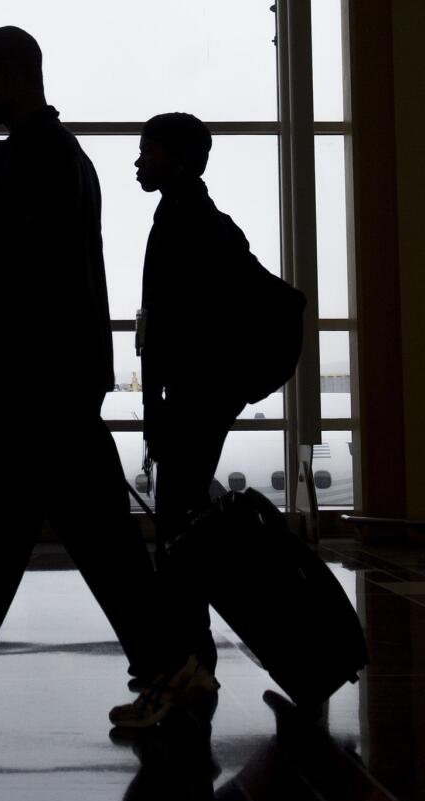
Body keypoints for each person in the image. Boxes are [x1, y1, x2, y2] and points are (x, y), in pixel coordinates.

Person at [0, 27, 215, 737]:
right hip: (51, 391)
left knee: (2, 545)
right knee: (89, 545)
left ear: (10, 73)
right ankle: (170, 671)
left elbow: (23, 289)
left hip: (27, 395)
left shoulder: (39, 161)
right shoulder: (57, 158)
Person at [133, 113, 267, 680]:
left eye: (148, 151)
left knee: (178, 525)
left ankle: (188, 655)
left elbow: (166, 326)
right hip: (202, 395)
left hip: (192, 397)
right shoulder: (202, 221)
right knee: (180, 520)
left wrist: (157, 406)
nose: (138, 162)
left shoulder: (185, 223)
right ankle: (188, 650)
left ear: (179, 161)